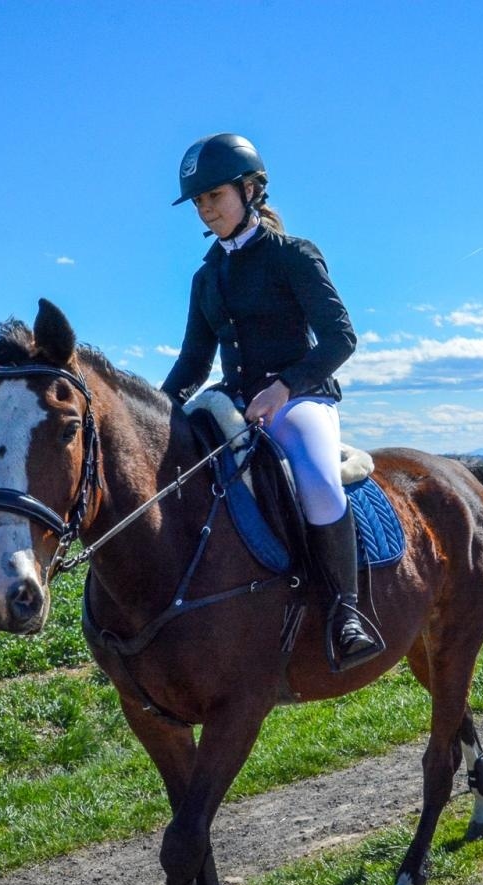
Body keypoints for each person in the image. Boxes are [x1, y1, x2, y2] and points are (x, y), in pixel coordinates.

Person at [160, 132, 383, 671]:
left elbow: (340, 338)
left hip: (300, 398)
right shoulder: (205, 277)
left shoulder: (293, 255)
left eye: (214, 195)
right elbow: (193, 363)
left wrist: (283, 387)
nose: (205, 209)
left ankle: (346, 612)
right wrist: (160, 411)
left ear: (250, 189)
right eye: (199, 200)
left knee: (316, 479)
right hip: (233, 403)